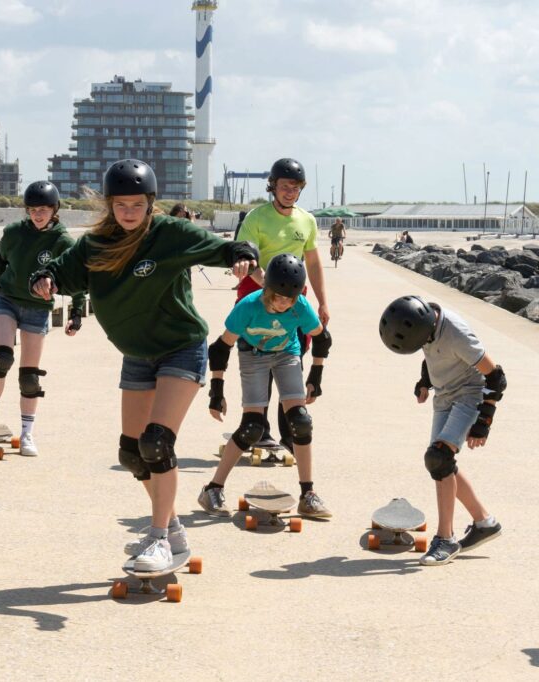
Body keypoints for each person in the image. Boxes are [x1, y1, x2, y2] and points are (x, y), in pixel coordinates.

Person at [30, 159, 258, 572]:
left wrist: (243, 253)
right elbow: (61, 273)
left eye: (137, 204)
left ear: (151, 203)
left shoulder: (170, 234)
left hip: (180, 349)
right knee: (133, 454)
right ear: (109, 205)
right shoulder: (95, 245)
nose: (129, 212)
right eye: (121, 205)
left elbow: (223, 248)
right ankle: (171, 532)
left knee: (156, 442)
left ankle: (156, 540)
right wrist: (43, 279)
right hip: (137, 356)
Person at [198, 254, 333, 518]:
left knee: (301, 421)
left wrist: (315, 378)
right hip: (253, 355)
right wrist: (217, 391)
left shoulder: (300, 306)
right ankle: (212, 489)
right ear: (267, 289)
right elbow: (220, 348)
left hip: (287, 354)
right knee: (252, 428)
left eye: (289, 300)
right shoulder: (248, 307)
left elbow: (322, 339)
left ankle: (308, 494)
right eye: (278, 297)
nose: (283, 304)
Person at [379, 295, 504, 565]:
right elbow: (430, 353)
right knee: (442, 464)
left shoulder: (456, 333)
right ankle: (485, 522)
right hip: (445, 395)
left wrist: (484, 423)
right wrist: (425, 381)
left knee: (439, 459)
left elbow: (496, 377)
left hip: (470, 394)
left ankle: (445, 539)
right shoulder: (424, 323)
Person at [0, 181, 86, 457]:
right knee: (2, 357)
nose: (38, 214)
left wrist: (76, 312)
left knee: (29, 376)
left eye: (44, 210)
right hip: (8, 300)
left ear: (54, 210)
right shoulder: (14, 233)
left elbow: (77, 277)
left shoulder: (62, 241)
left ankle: (27, 434)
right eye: (33, 210)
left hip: (37, 307)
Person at [236, 158, 329, 452]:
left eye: (296, 187)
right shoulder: (256, 218)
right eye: (285, 186)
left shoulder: (307, 220)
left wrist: (323, 302)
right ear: (273, 186)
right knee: (258, 359)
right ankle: (257, 430)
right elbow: (248, 258)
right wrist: (270, 288)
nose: (290, 191)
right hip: (257, 293)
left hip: (294, 298)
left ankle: (289, 432)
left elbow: (313, 262)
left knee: (292, 360)